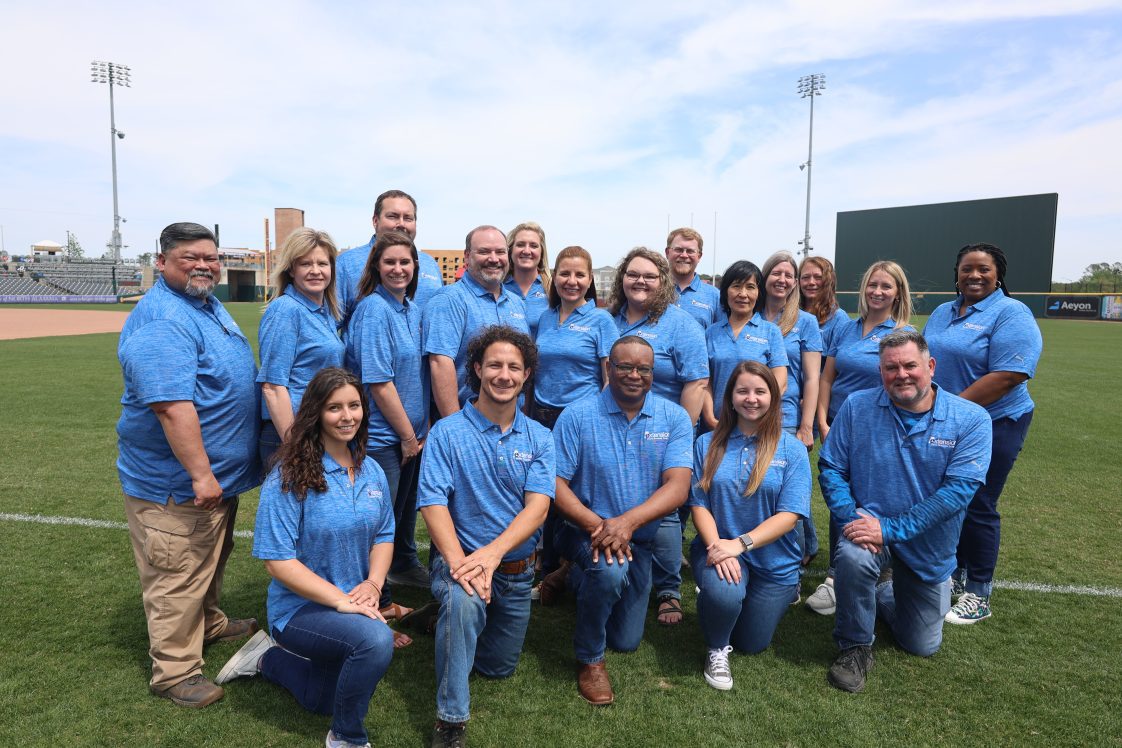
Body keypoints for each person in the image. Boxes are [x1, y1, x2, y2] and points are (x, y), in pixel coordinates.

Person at [117, 222, 260, 708]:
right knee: (177, 573)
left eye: (210, 257)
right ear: (161, 262)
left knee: (208, 560)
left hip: (217, 480)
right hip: (177, 484)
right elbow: (171, 407)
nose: (204, 265)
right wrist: (201, 474)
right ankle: (175, 671)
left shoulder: (204, 303)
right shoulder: (163, 319)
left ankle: (210, 623)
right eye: (190, 258)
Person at [217, 368, 395, 748]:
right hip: (299, 611)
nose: (347, 416)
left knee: (321, 700)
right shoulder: (288, 476)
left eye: (354, 406)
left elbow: (384, 535)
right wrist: (341, 600)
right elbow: (277, 561)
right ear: (315, 413)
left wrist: (373, 584)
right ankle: (346, 738)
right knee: (375, 640)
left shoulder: (372, 470)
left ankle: (266, 658)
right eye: (335, 407)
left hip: (353, 604)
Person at [819, 331, 991, 693]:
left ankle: (883, 593)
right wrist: (851, 518)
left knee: (921, 644)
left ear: (930, 366)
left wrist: (890, 529)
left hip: (928, 544)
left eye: (910, 365)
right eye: (891, 368)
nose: (901, 375)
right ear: (880, 371)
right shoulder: (856, 406)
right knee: (853, 555)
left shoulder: (971, 419)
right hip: (869, 530)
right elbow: (831, 467)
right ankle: (854, 647)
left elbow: (957, 493)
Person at [416, 326, 554, 748]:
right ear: (477, 368)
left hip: (514, 573)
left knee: (497, 668)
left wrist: (491, 557)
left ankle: (440, 619)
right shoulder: (446, 432)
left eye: (514, 367)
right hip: (459, 563)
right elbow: (433, 504)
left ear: (526, 374)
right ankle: (450, 721)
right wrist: (463, 566)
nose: (504, 375)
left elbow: (538, 508)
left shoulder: (540, 437)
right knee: (463, 602)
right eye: (494, 365)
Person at [552, 336, 693, 705]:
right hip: (583, 532)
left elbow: (678, 487)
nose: (634, 375)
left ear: (653, 372)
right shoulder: (577, 415)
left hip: (639, 540)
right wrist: (600, 528)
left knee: (626, 640)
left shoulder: (674, 417)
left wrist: (627, 524)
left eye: (643, 368)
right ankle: (590, 659)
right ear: (608, 368)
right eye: (625, 367)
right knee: (610, 571)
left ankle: (573, 576)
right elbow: (556, 485)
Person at [924, 243, 1043, 624]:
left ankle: (979, 591)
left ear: (998, 275)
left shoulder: (1011, 312)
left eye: (983, 269)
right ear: (956, 274)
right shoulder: (943, 312)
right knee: (948, 498)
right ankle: (955, 573)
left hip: (996, 422)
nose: (974, 275)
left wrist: (952, 410)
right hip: (948, 421)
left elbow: (1010, 374)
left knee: (978, 502)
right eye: (967, 269)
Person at [690, 361, 810, 690]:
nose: (751, 398)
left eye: (760, 391)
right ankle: (716, 648)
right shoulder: (706, 444)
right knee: (725, 594)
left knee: (751, 643)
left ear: (773, 397)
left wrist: (740, 544)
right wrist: (719, 548)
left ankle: (740, 599)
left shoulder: (792, 449)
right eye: (742, 391)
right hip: (721, 550)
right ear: (730, 397)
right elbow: (699, 505)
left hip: (774, 563)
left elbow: (790, 515)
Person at [807, 260, 913, 616]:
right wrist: (823, 422)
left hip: (878, 429)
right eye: (872, 284)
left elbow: (905, 386)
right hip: (837, 426)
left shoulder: (902, 333)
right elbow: (827, 378)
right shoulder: (845, 327)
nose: (877, 292)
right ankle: (837, 575)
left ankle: (869, 572)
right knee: (838, 496)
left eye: (886, 286)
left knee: (871, 497)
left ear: (898, 292)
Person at [609, 247, 708, 627]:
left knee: (663, 508)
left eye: (650, 276)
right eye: (633, 274)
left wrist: (678, 434)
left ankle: (668, 589)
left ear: (663, 282)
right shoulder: (610, 320)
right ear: (622, 278)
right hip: (616, 427)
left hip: (661, 430)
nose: (640, 281)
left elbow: (696, 382)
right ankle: (610, 571)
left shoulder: (681, 324)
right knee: (616, 500)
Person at [344, 230, 432, 602]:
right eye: (390, 262)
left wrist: (419, 431)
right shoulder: (374, 309)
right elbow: (379, 383)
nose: (398, 269)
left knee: (400, 516)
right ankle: (371, 599)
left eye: (405, 262)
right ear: (376, 267)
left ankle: (390, 582)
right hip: (384, 439)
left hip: (410, 437)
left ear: (415, 266)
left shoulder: (410, 308)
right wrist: (407, 437)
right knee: (376, 523)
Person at [531, 245, 619, 603]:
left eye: (579, 274)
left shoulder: (601, 320)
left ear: (590, 279)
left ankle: (566, 571)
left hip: (580, 420)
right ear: (555, 277)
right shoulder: (545, 318)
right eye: (564, 273)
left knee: (572, 496)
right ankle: (547, 567)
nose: (572, 280)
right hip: (541, 416)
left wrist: (603, 422)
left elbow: (610, 378)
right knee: (543, 493)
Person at [257, 227, 344, 465]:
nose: (316, 271)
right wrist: (295, 447)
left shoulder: (324, 312)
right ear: (291, 269)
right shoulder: (286, 310)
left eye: (322, 264)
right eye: (305, 264)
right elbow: (273, 386)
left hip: (318, 431)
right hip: (291, 434)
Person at [424, 225, 529, 417]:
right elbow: (440, 363)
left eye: (500, 252)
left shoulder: (517, 303)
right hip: (467, 420)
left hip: (512, 421)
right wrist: (456, 427)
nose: (494, 259)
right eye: (484, 251)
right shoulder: (449, 300)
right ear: (467, 257)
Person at [701, 260, 788, 431]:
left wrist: (759, 412)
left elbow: (780, 380)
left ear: (759, 293)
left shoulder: (770, 332)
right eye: (736, 286)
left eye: (750, 287)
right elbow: (705, 381)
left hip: (757, 425)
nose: (743, 294)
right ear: (725, 291)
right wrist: (710, 418)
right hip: (717, 426)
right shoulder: (711, 333)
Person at [335, 189, 444, 323]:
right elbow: (329, 324)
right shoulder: (346, 264)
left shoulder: (430, 263)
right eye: (393, 216)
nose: (401, 224)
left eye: (408, 218)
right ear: (375, 220)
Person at [664, 227, 722, 328]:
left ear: (699, 256)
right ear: (667, 252)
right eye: (678, 250)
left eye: (690, 251)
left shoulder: (715, 296)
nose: (684, 255)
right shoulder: (652, 289)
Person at [503, 221, 551, 336]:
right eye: (520, 245)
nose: (526, 251)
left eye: (533, 246)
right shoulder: (497, 288)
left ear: (542, 252)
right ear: (510, 250)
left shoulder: (553, 289)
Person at [799, 255, 850, 357]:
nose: (811, 282)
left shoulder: (839, 318)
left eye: (818, 277)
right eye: (805, 277)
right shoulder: (791, 313)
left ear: (829, 281)